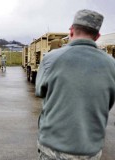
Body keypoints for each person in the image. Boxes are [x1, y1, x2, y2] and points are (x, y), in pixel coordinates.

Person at [35, 9, 115, 160]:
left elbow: (40, 91)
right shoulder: (112, 65)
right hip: (90, 150)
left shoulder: (51, 59)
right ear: (97, 36)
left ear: (71, 31)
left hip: (53, 148)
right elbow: (109, 101)